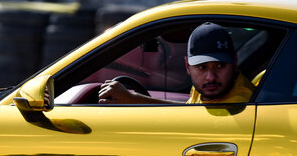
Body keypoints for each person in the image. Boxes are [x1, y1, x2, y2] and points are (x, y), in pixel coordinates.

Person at [98, 22, 256, 104]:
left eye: (220, 65)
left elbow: (196, 119)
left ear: (234, 62)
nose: (210, 76)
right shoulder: (209, 88)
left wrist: (134, 100)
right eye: (202, 66)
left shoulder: (240, 103)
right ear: (188, 66)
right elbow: (190, 111)